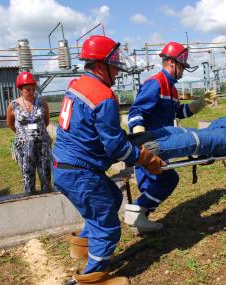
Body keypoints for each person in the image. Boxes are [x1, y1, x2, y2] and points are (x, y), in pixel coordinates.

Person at [52, 35, 165, 285]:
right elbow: (115, 148)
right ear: (101, 64)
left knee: (112, 198)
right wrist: (146, 159)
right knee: (107, 225)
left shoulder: (77, 84)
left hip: (64, 167)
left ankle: (84, 247)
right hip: (81, 173)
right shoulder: (103, 96)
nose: (117, 69)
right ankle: (94, 277)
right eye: (113, 64)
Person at [125, 41, 216, 234]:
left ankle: (140, 219)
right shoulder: (156, 83)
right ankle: (136, 215)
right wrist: (141, 138)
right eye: (182, 66)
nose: (184, 70)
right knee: (166, 180)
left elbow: (179, 113)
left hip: (163, 144)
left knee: (158, 182)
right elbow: (136, 111)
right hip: (151, 146)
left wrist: (200, 103)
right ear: (172, 63)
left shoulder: (172, 88)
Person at [6, 71, 52, 194]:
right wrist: (23, 135)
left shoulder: (42, 102)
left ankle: (47, 196)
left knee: (45, 174)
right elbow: (10, 123)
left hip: (42, 144)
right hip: (24, 147)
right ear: (21, 89)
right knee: (28, 175)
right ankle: (30, 197)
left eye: (33, 89)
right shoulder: (13, 105)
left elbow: (46, 121)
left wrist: (38, 133)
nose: (31, 92)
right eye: (27, 89)